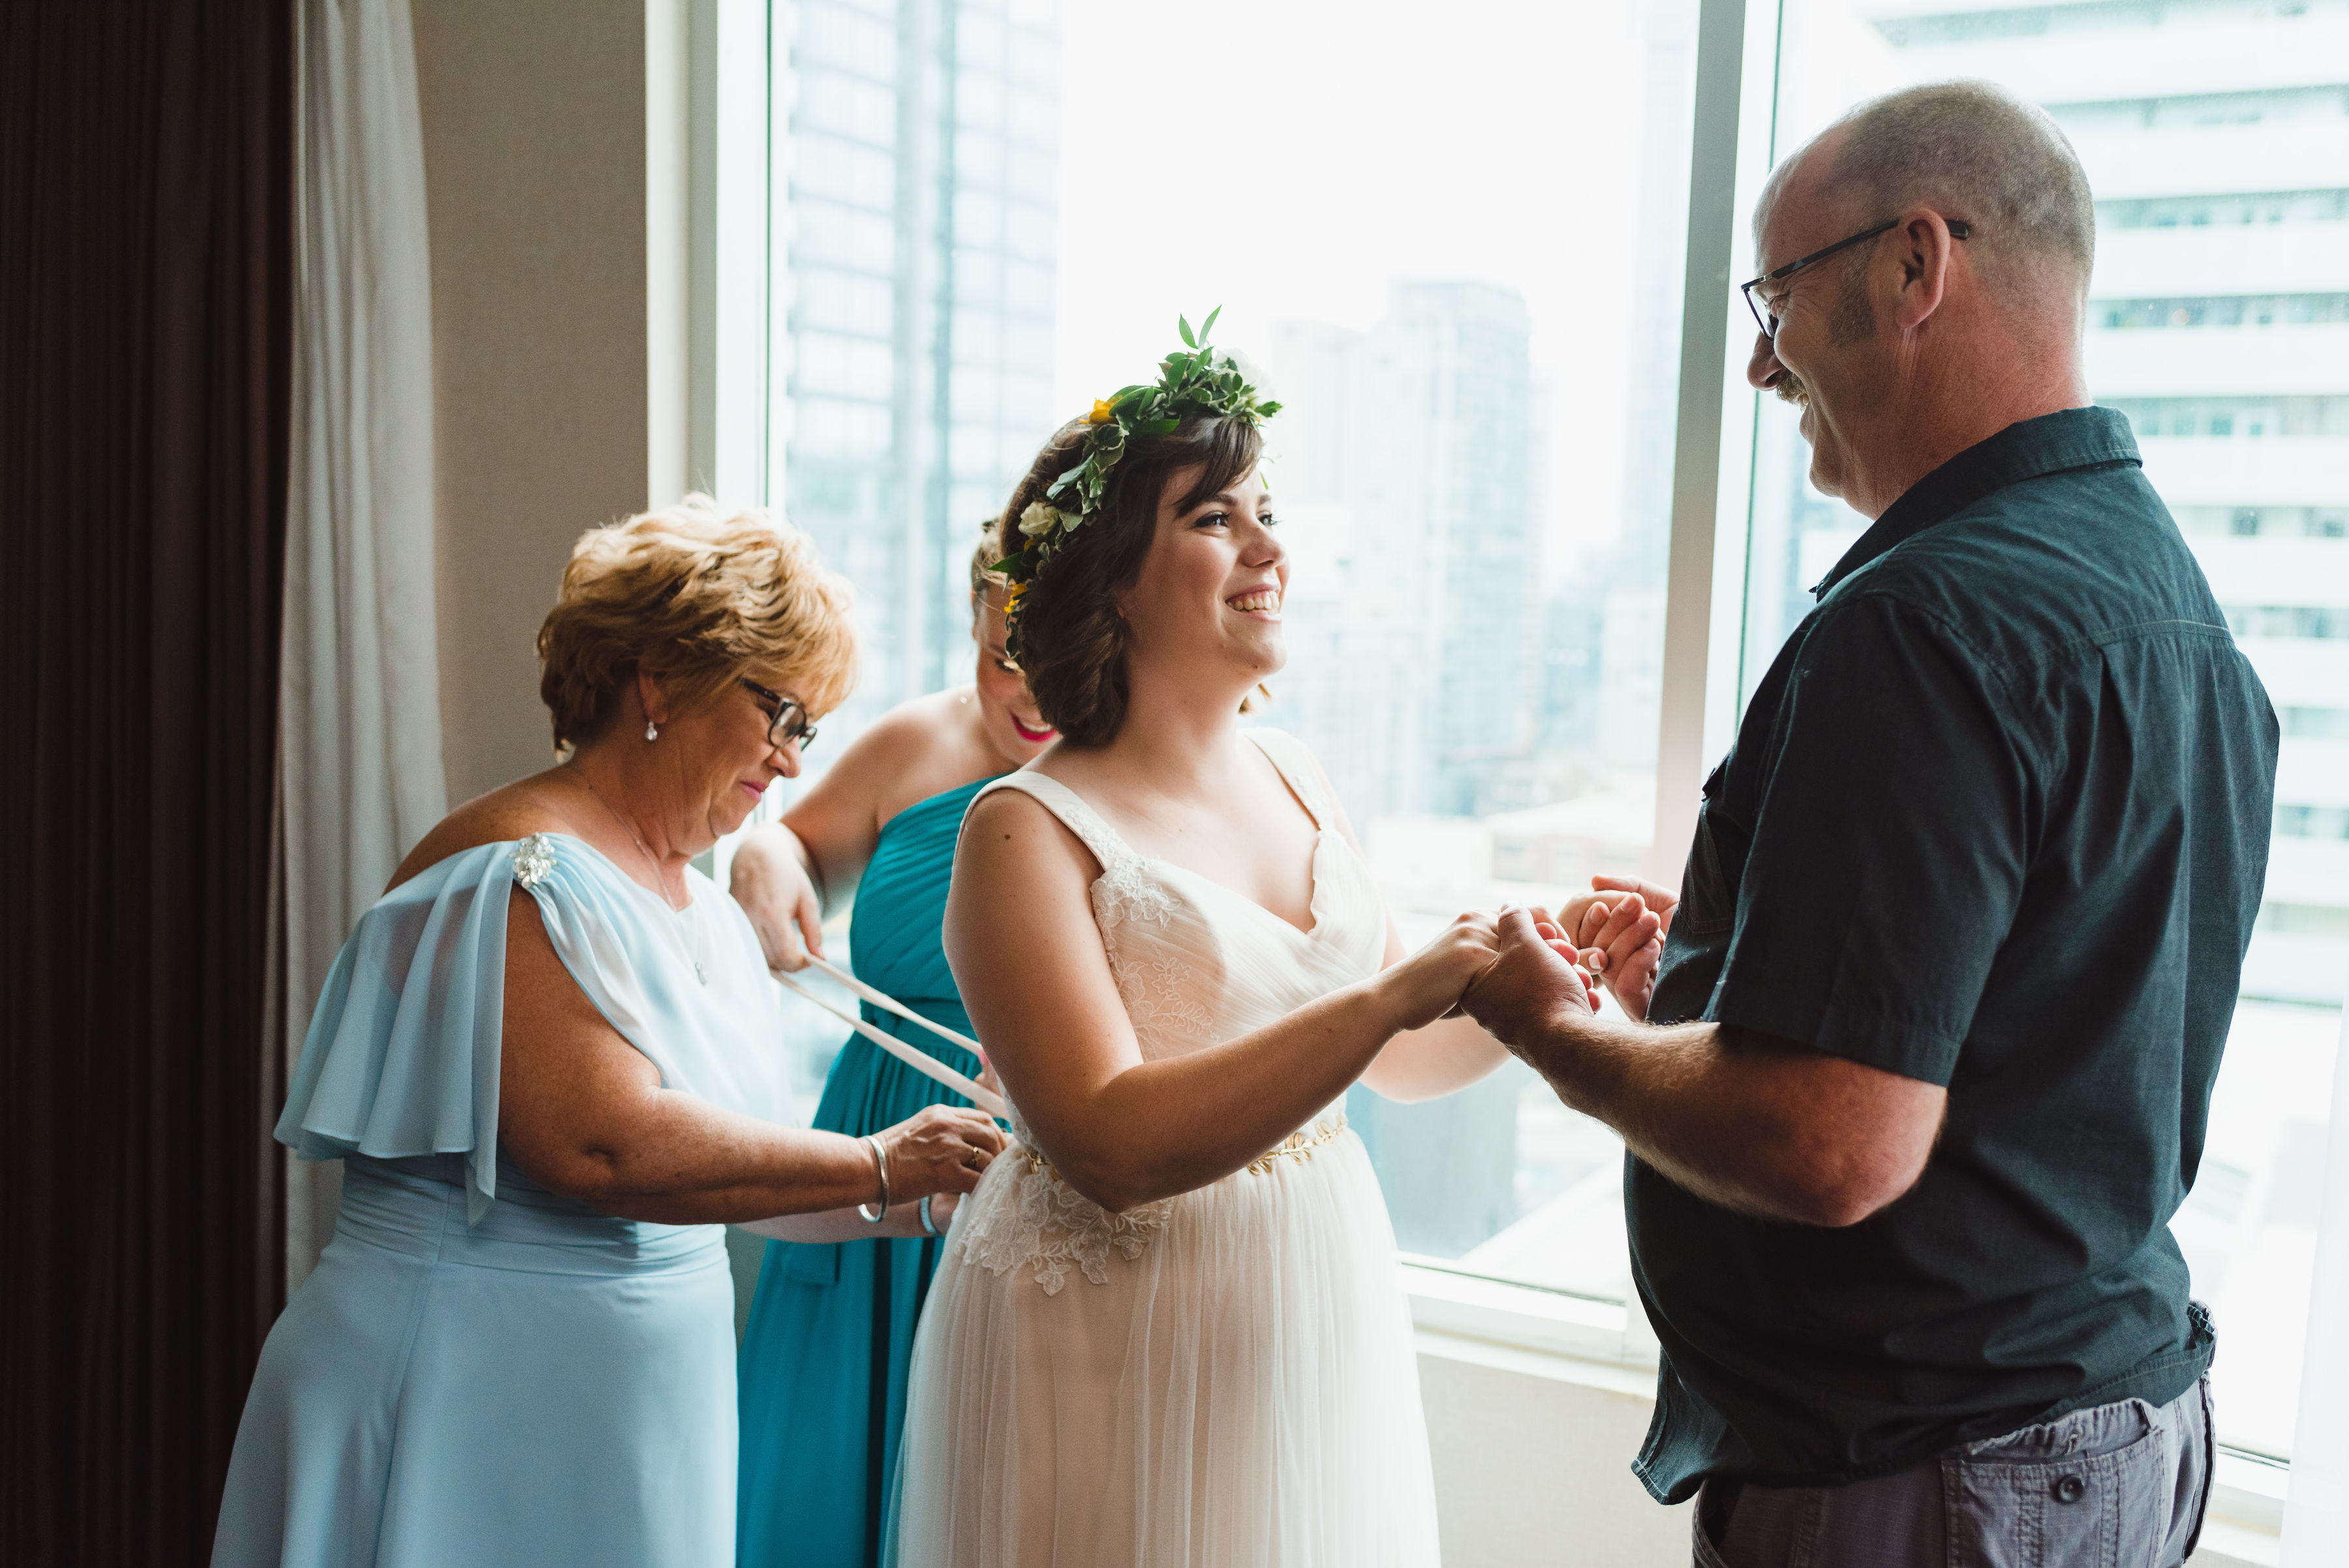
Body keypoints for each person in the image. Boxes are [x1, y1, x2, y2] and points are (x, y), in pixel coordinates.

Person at [1458, 82, 2279, 1568]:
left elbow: (1834, 1145)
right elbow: (2029, 1034)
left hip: (1936, 1475)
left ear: (1917, 266)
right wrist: (1707, 1001)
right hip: (2102, 1424)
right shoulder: (2174, 603)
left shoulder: (1923, 621)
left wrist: (1551, 1032)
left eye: (1779, 298)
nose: (1763, 367)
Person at [885, 324, 1599, 1568]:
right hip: (1107, 1331)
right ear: (1112, 577)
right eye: (1216, 517)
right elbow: (1104, 1139)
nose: (1271, 549)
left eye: (1267, 512)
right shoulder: (1023, 831)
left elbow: (1402, 1070)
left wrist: (1539, 992)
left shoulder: (1298, 772)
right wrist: (1391, 998)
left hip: (1308, 1295)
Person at [211, 497, 1006, 1568]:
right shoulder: (517, 873)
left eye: (809, 728)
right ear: (664, 677)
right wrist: (875, 1154)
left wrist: (919, 1199)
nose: (791, 762)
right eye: (779, 712)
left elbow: (740, 1179)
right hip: (471, 1395)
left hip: (639, 1425)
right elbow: (603, 1146)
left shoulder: (710, 915)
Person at [728, 539, 1056, 1568]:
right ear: (973, 622)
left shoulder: (1125, 776)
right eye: (1006, 655)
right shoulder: (917, 740)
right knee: (823, 1481)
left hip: (1022, 1171)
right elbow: (796, 843)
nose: (1031, 692)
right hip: (869, 1151)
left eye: (1057, 657)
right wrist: (760, 858)